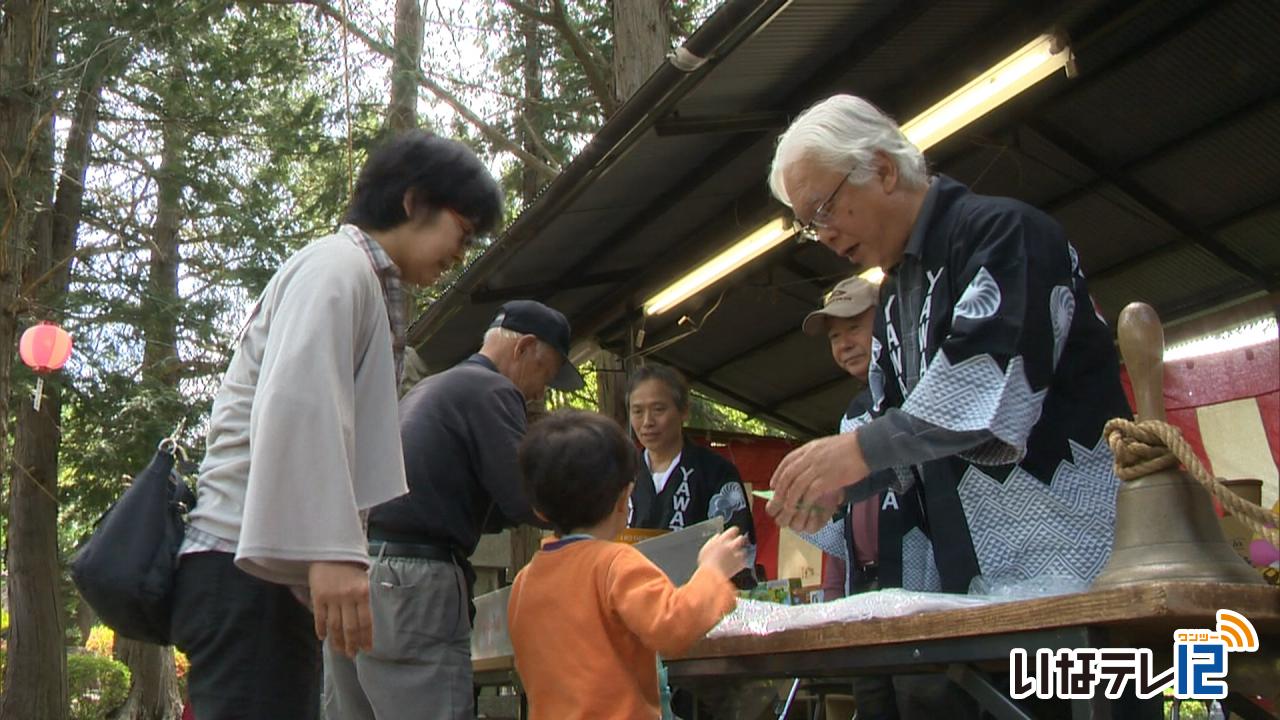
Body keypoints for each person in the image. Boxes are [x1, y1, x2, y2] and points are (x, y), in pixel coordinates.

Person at [765, 95, 1134, 718]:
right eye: (808, 224)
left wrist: (854, 452)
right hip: (972, 583)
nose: (822, 234)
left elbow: (986, 389)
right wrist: (838, 487)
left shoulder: (1003, 233)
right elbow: (899, 437)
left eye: (824, 209)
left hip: (1074, 564)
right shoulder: (893, 299)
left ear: (882, 169)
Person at [170, 130, 502, 720]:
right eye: (464, 228)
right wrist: (332, 550)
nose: (462, 250)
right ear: (414, 200)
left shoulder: (356, 276)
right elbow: (300, 404)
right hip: (243, 563)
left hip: (263, 564)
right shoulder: (337, 267)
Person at [323, 299, 583, 720]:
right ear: (524, 348)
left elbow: (483, 501)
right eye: (546, 373)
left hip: (358, 570)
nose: (540, 390)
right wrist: (591, 520)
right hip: (413, 584)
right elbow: (524, 498)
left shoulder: (434, 387)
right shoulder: (493, 390)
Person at [507, 409, 748, 720]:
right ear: (625, 499)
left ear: (538, 510)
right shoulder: (616, 563)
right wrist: (712, 573)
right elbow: (673, 627)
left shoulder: (525, 582)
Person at [626, 364, 757, 580]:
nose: (647, 422)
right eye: (637, 411)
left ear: (684, 411)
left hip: (699, 601)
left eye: (658, 409)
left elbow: (739, 546)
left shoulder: (715, 471)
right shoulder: (619, 475)